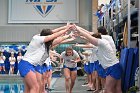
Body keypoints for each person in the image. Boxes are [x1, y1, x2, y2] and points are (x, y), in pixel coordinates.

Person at [18, 25, 72, 93]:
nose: (52, 39)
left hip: (29, 65)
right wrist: (66, 29)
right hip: (26, 64)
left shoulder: (44, 44)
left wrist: (67, 32)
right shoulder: (37, 38)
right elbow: (53, 35)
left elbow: (56, 37)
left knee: (28, 88)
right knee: (35, 87)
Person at [74, 25, 122, 93]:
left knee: (108, 90)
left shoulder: (102, 42)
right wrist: (80, 33)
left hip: (113, 67)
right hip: (113, 66)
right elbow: (89, 37)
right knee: (117, 89)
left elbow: (89, 36)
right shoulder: (100, 45)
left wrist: (78, 29)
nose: (91, 42)